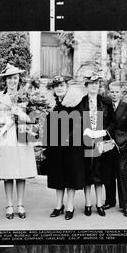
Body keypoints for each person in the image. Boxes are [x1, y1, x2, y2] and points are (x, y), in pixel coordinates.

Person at [0, 63, 37, 220]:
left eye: (15, 78)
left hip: (23, 134)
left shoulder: (26, 96)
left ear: (19, 79)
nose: (12, 81)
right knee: (8, 172)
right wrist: (5, 119)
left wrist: (21, 115)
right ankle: (9, 205)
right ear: (5, 80)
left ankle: (21, 204)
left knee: (22, 171)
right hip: (7, 135)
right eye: (9, 78)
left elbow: (34, 118)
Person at [43, 76, 85, 220]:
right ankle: (58, 205)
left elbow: (79, 124)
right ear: (53, 89)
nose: (59, 88)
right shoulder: (52, 104)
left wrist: (67, 139)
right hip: (55, 146)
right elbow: (48, 125)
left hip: (72, 146)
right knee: (57, 176)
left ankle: (70, 206)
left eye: (62, 85)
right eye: (56, 86)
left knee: (70, 176)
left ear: (67, 87)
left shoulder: (75, 103)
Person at [79, 73, 116, 217]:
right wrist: (85, 130)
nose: (94, 86)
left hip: (101, 141)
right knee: (87, 172)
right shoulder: (81, 102)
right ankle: (88, 204)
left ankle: (99, 204)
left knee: (99, 173)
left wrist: (103, 132)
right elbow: (76, 121)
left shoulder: (105, 102)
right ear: (86, 86)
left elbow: (113, 122)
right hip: (86, 141)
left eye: (96, 83)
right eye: (91, 83)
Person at [104, 82, 127, 217]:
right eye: (112, 92)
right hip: (107, 143)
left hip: (122, 143)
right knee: (108, 172)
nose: (114, 94)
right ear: (109, 93)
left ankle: (126, 205)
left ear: (121, 93)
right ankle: (110, 201)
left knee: (121, 172)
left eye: (117, 92)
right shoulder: (106, 106)